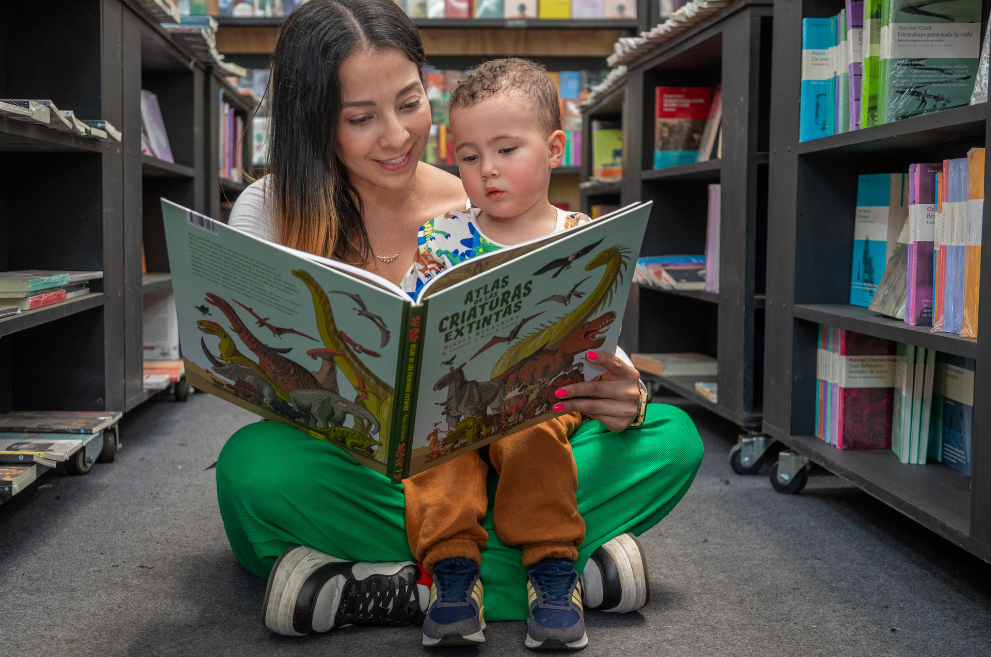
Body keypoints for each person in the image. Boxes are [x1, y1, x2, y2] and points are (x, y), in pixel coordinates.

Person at [219, 0, 704, 642]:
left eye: (410, 102)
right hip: (365, 464)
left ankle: (390, 586)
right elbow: (262, 392)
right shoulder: (271, 211)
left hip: (518, 448)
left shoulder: (475, 200)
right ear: (316, 124)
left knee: (672, 438)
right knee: (253, 472)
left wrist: (625, 395)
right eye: (360, 118)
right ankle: (558, 575)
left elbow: (579, 333)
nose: (395, 136)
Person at [398, 57, 616, 650]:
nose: (486, 171)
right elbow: (416, 323)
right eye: (468, 157)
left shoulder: (581, 235)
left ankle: (551, 570)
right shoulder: (443, 237)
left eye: (506, 150)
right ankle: (452, 576)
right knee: (438, 444)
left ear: (553, 148)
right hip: (463, 399)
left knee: (529, 430)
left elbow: (601, 336)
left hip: (541, 396)